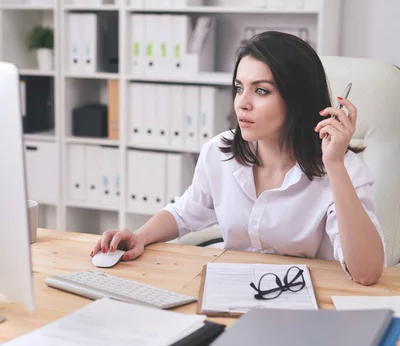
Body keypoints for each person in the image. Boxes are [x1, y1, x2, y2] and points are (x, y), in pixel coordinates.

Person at [91, 31, 385, 285]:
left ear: (297, 99)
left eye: (260, 91)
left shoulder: (342, 168)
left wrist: (334, 165)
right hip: (230, 294)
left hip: (306, 308)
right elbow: (184, 213)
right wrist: (140, 236)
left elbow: (367, 273)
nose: (242, 103)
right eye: (238, 88)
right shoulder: (220, 152)